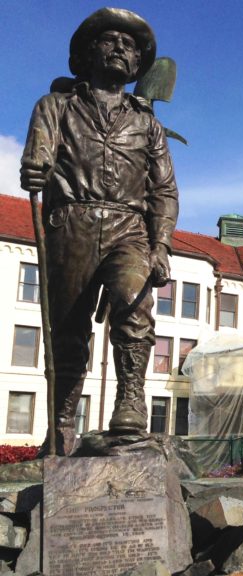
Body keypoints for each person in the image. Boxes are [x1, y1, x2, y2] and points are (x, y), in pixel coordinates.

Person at [20, 8, 178, 455]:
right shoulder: (55, 106)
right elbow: (39, 158)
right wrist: (35, 169)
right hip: (71, 222)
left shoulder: (147, 124)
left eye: (130, 46)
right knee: (68, 329)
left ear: (137, 66)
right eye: (110, 41)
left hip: (129, 228)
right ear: (88, 53)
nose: (120, 50)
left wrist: (161, 244)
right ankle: (62, 424)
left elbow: (164, 190)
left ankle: (130, 403)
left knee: (134, 303)